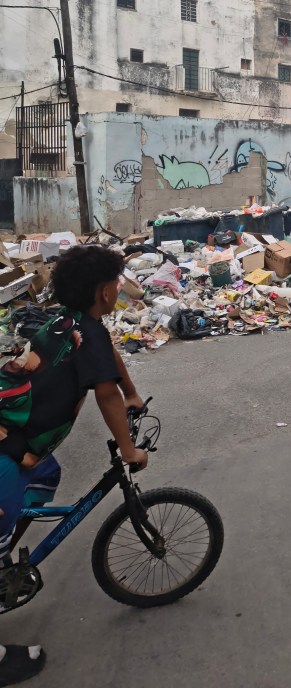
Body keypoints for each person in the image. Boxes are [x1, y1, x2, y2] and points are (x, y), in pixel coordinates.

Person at [0, 245, 147, 685]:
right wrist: (128, 450)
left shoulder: (64, 319)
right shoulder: (87, 330)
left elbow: (108, 360)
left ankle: (6, 554)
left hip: (22, 448)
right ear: (105, 292)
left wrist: (133, 392)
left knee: (47, 475)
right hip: (4, 454)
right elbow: (105, 394)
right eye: (118, 283)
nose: (120, 289)